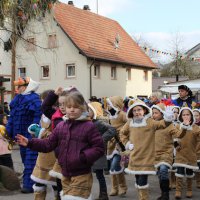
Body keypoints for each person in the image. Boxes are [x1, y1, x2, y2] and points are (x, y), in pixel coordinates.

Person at [16, 91, 104, 200]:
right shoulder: (61, 126)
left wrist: (82, 157)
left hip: (82, 174)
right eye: (69, 107)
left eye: (75, 107)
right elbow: (48, 144)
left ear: (82, 108)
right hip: (65, 174)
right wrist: (30, 142)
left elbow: (99, 148)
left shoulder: (88, 126)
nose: (72, 109)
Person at [119, 100, 176, 200]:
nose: (137, 112)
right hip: (135, 157)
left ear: (144, 110)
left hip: (147, 158)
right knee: (138, 181)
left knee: (142, 181)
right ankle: (142, 197)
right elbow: (122, 133)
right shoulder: (129, 123)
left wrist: (167, 117)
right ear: (131, 112)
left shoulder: (149, 122)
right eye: (135, 110)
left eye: (139, 110)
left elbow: (162, 124)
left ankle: (144, 198)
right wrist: (127, 144)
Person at [6, 77, 42, 193]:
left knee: (30, 160)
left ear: (27, 87)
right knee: (25, 159)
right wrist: (9, 131)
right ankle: (35, 181)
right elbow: (12, 117)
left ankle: (29, 185)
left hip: (30, 136)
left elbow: (37, 117)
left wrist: (34, 132)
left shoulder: (34, 99)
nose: (17, 89)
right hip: (20, 135)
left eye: (19, 87)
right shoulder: (17, 99)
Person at [152, 103, 186, 200]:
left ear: (162, 114)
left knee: (163, 170)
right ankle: (163, 193)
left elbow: (179, 135)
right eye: (153, 113)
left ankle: (166, 195)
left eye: (156, 113)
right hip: (155, 154)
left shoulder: (170, 125)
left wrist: (184, 127)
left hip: (166, 153)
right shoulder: (153, 125)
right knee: (160, 174)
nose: (153, 115)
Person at [28, 89, 57, 200]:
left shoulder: (56, 114)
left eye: (43, 101)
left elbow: (57, 135)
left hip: (53, 154)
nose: (42, 103)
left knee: (55, 184)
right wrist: (35, 131)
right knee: (39, 183)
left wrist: (40, 131)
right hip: (43, 153)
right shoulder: (43, 115)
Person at [88, 101, 117, 200]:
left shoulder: (99, 122)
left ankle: (104, 195)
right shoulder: (90, 122)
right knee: (95, 174)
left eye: (90, 110)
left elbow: (112, 130)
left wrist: (101, 139)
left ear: (95, 111)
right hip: (91, 152)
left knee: (100, 175)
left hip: (98, 152)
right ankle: (101, 195)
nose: (88, 112)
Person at [173, 107, 200, 199]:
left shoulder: (196, 128)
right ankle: (178, 190)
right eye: (183, 114)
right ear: (180, 116)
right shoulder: (178, 126)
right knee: (179, 173)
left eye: (187, 114)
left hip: (191, 154)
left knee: (189, 173)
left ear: (191, 116)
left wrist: (196, 150)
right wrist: (176, 145)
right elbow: (176, 136)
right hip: (180, 153)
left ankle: (189, 189)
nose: (185, 116)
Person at [106, 96, 128, 197]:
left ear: (116, 105)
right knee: (112, 166)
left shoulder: (123, 114)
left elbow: (129, 124)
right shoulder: (110, 116)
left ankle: (122, 186)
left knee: (115, 165)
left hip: (120, 143)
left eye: (110, 104)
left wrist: (123, 132)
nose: (108, 106)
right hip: (111, 143)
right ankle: (115, 188)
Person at [192, 109, 200, 189]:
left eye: (197, 115)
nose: (195, 117)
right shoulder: (190, 126)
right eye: (194, 115)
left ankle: (198, 181)